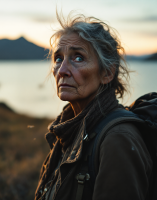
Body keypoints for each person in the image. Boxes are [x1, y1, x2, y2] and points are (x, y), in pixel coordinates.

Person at [34, 13, 153, 200]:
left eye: (78, 58)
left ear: (107, 73)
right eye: (58, 58)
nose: (62, 70)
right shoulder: (68, 129)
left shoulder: (118, 138)